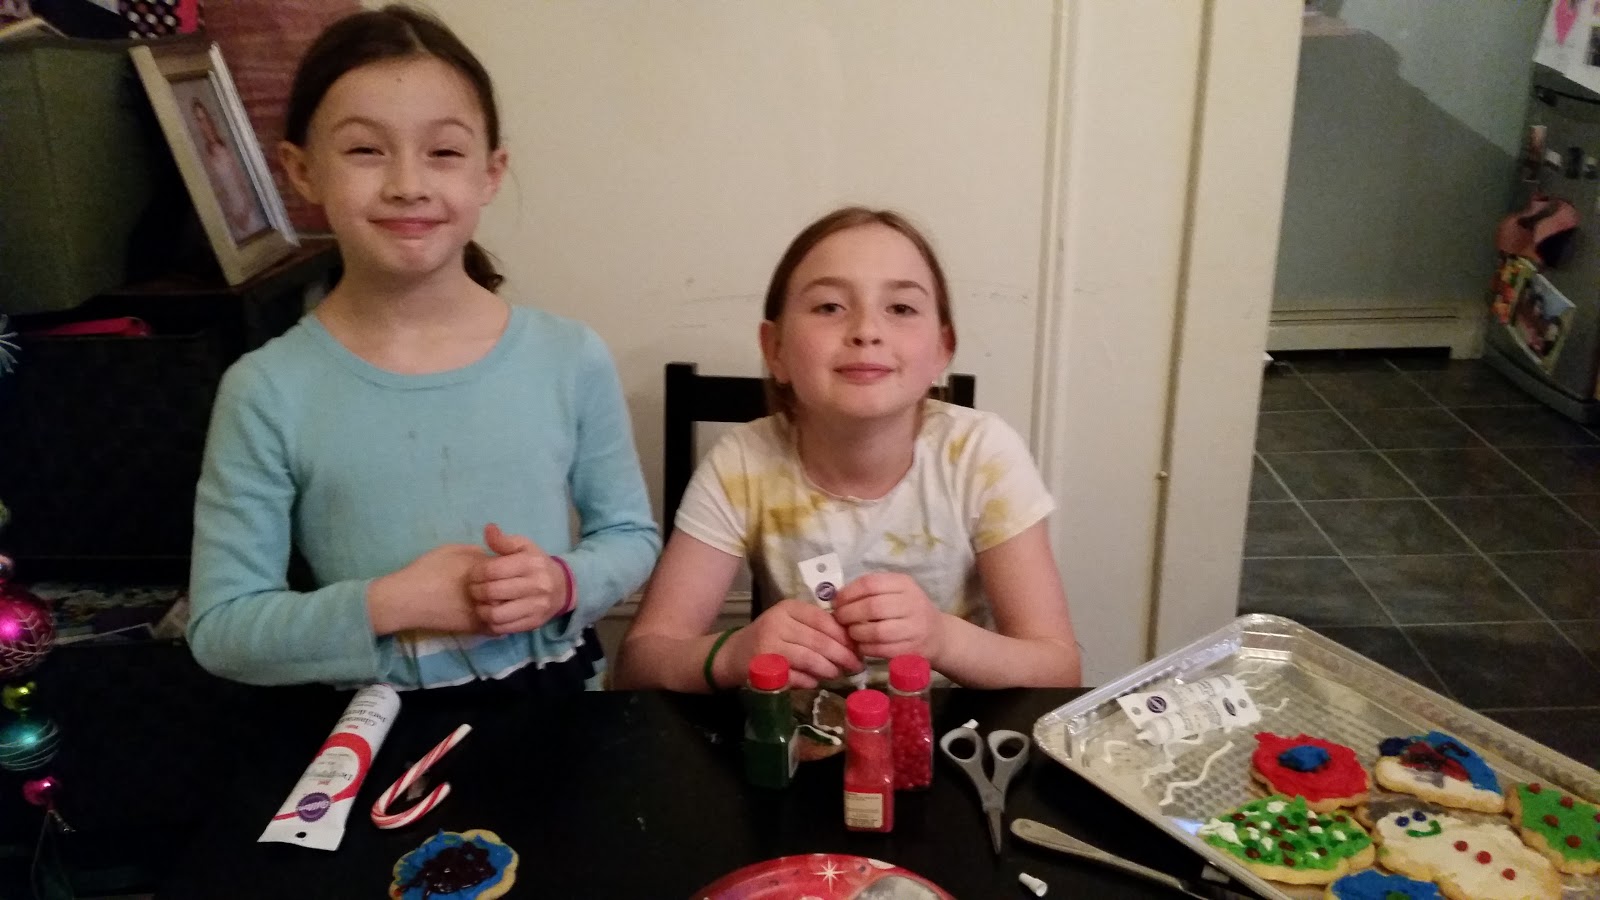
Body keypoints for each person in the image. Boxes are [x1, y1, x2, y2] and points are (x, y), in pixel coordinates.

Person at [187, 6, 659, 693]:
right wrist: (391, 603)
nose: (408, 184)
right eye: (365, 150)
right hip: (370, 725)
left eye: (443, 152)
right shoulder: (266, 390)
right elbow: (223, 630)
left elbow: (631, 536)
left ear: (491, 172)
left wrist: (561, 582)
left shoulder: (569, 356)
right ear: (301, 170)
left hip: (556, 706)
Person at [614, 207, 1080, 692]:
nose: (866, 330)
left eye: (901, 308)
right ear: (775, 349)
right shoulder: (743, 463)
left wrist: (942, 639)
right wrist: (732, 654)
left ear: (942, 351)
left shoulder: (983, 456)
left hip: (948, 730)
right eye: (829, 307)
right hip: (798, 726)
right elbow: (638, 665)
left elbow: (1059, 668)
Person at [188, 97, 268, 240]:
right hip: (231, 213)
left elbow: (241, 179)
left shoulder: (225, 146)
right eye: (199, 120)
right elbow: (217, 190)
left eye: (205, 118)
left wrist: (245, 210)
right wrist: (232, 215)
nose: (204, 123)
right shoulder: (205, 154)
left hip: (246, 207)